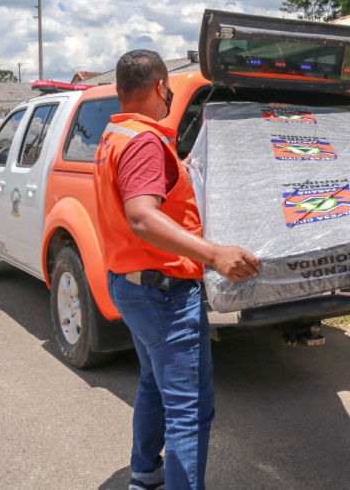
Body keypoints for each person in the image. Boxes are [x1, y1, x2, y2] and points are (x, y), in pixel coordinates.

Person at [93, 50, 259, 490]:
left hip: (131, 285)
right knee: (191, 410)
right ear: (160, 88)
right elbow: (142, 216)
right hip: (163, 291)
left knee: (152, 383)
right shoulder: (144, 143)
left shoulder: (118, 134)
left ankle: (145, 474)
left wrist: (180, 171)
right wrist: (213, 253)